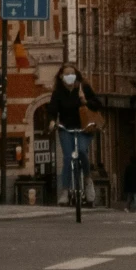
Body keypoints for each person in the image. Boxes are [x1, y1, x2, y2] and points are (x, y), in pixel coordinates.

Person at [49, 64, 99, 202]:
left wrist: (85, 101)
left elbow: (98, 104)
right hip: (66, 128)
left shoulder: (84, 88)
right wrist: (52, 121)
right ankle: (65, 191)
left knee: (82, 151)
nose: (70, 76)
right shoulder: (58, 92)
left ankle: (88, 180)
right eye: (67, 74)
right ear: (61, 76)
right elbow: (53, 109)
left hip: (84, 128)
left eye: (72, 73)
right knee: (67, 157)